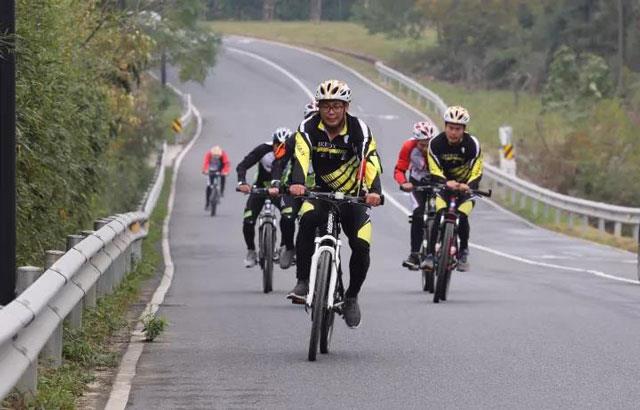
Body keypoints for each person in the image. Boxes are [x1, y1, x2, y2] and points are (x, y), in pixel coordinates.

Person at [287, 79, 383, 328]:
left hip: (354, 196)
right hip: (321, 193)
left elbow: (369, 159)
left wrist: (374, 191)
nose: (331, 111)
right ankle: (303, 282)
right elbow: (301, 156)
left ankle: (351, 297)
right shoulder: (308, 126)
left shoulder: (359, 128)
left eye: (337, 106)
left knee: (361, 245)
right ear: (318, 107)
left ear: (346, 107)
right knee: (307, 219)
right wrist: (297, 183)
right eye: (326, 106)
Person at [423, 106, 483, 272]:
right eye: (450, 128)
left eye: (458, 129)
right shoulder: (435, 144)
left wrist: (469, 185)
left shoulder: (472, 145)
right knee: (439, 214)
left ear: (464, 129)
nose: (454, 132)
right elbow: (433, 167)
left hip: (466, 189)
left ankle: (463, 252)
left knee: (463, 215)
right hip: (444, 186)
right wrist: (445, 181)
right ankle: (429, 256)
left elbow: (477, 169)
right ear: (445, 126)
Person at [237, 127, 293, 268]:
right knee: (248, 219)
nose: (279, 148)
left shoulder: (293, 153)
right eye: (277, 144)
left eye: (283, 146)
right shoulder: (263, 149)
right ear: (272, 143)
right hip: (260, 189)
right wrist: (242, 182)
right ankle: (251, 251)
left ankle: (284, 246)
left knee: (288, 217)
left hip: (281, 190)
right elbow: (242, 166)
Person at [394, 121, 437, 270]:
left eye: (428, 144)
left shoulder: (439, 147)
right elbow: (399, 169)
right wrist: (404, 182)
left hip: (437, 183)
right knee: (418, 214)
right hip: (417, 184)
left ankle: (443, 246)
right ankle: (414, 254)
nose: (425, 148)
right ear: (416, 141)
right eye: (421, 145)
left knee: (441, 213)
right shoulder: (408, 147)